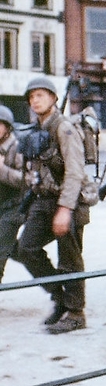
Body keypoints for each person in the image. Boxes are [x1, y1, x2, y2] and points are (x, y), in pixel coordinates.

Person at [15, 78, 92, 333]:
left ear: (53, 98)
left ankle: (76, 312)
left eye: (40, 95)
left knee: (69, 257)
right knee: (26, 248)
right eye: (32, 97)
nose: (35, 100)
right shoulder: (36, 128)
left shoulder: (64, 127)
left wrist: (65, 209)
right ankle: (60, 297)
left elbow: (74, 172)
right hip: (43, 200)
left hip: (68, 201)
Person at [0, 105, 25, 283]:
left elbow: (26, 179)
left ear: (7, 127)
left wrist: (1, 170)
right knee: (19, 251)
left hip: (14, 206)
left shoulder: (17, 147)